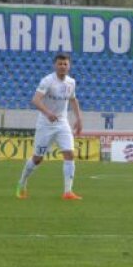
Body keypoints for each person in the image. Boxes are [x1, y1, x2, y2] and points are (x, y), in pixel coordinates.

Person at [16, 52, 84, 200]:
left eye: (65, 64)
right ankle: (22, 183)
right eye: (60, 64)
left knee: (69, 153)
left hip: (62, 123)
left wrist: (79, 118)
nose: (62, 66)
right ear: (55, 65)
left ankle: (68, 192)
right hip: (45, 124)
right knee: (37, 158)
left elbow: (73, 99)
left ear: (69, 66)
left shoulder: (71, 82)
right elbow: (35, 100)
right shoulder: (47, 80)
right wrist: (47, 113)